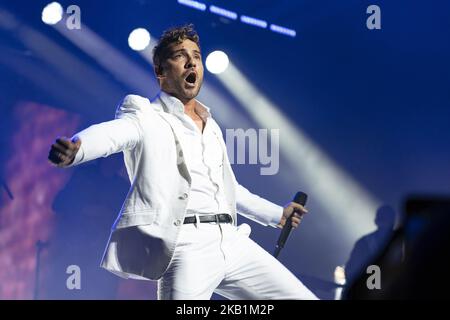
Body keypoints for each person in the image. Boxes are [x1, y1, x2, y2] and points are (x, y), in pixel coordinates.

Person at [48, 24, 317, 300]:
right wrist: (78, 148)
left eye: (197, 56)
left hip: (232, 241)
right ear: (160, 72)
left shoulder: (211, 125)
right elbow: (114, 134)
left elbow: (230, 190)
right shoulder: (145, 115)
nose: (191, 61)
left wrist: (277, 214)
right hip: (187, 245)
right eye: (179, 55)